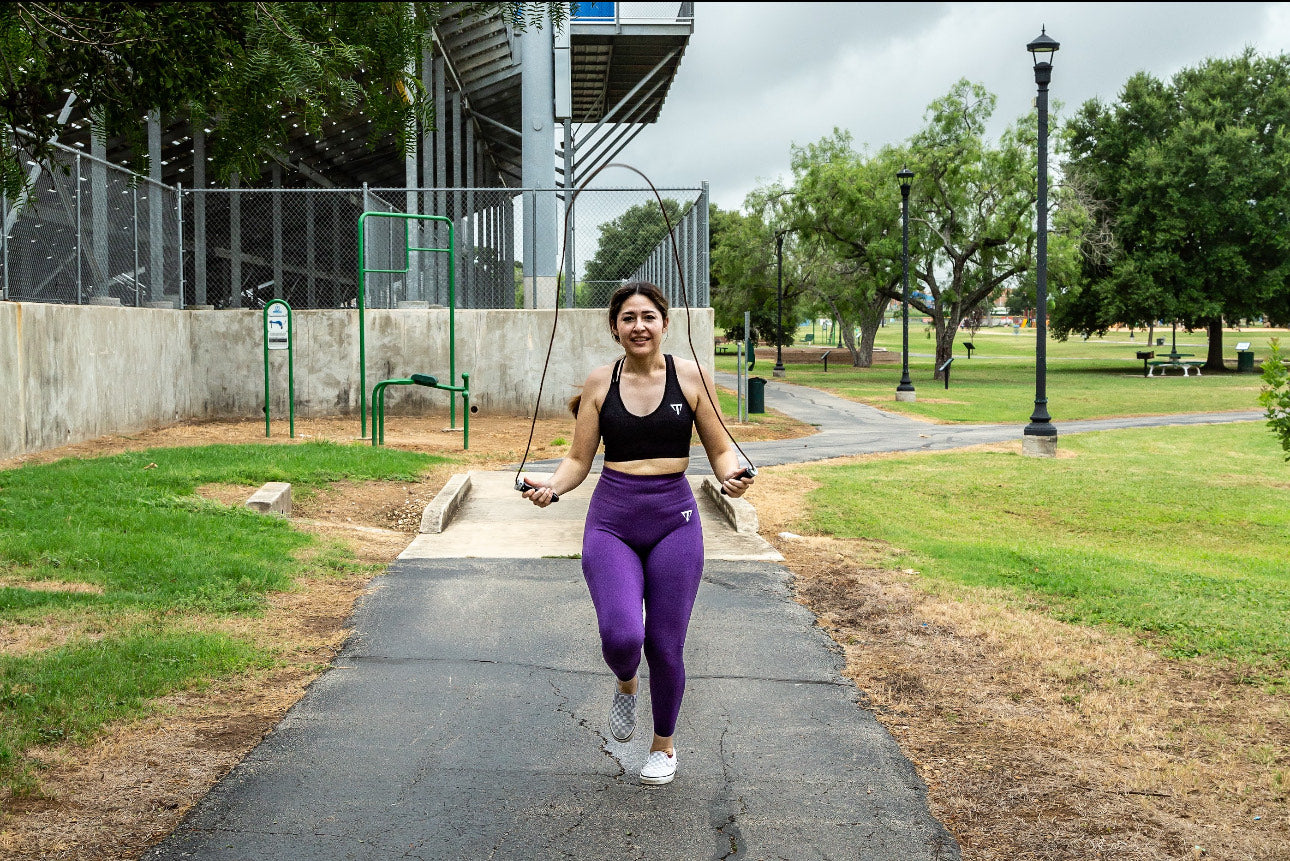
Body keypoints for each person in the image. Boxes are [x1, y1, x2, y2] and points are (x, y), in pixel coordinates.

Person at [521, 281, 753, 786]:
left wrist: (732, 475)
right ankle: (626, 683)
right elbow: (578, 459)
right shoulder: (600, 382)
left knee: (666, 645)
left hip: (675, 519)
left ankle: (663, 747)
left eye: (648, 317)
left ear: (665, 324)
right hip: (612, 519)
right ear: (615, 328)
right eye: (628, 318)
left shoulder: (692, 378)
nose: (639, 326)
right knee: (623, 635)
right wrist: (552, 488)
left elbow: (720, 450)